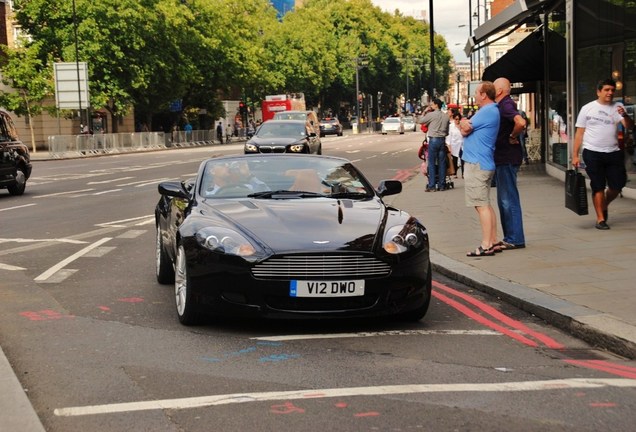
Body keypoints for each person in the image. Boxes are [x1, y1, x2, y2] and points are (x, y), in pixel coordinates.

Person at [573, 78, 634, 230]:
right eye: (607, 90)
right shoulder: (587, 108)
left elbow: (630, 127)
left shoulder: (618, 107)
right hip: (592, 152)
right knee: (598, 186)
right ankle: (600, 219)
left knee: (617, 185)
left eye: (612, 90)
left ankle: (603, 204)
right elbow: (579, 133)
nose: (610, 93)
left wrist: (625, 115)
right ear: (598, 91)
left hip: (613, 152)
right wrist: (574, 155)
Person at [459, 81, 501, 257]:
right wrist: (464, 124)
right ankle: (494, 241)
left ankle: (486, 245)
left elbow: (465, 129)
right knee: (485, 204)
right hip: (483, 162)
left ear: (484, 94)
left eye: (477, 92)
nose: (475, 95)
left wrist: (462, 121)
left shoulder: (487, 111)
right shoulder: (490, 111)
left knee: (480, 205)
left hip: (477, 164)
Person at [492, 77, 528, 250]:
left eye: (493, 88)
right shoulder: (503, 104)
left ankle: (515, 238)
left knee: (508, 200)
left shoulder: (505, 104)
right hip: (503, 158)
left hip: (507, 157)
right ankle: (510, 237)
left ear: (499, 91)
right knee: (503, 200)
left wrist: (513, 136)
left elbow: (521, 122)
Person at [417, 98, 450, 192]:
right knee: (442, 163)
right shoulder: (446, 116)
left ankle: (432, 186)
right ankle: (442, 185)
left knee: (431, 163)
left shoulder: (431, 115)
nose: (431, 105)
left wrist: (424, 112)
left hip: (433, 140)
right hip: (442, 140)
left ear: (436, 105)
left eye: (432, 104)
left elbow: (420, 121)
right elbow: (447, 131)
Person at [446, 112, 464, 178]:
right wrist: (449, 146)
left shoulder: (462, 125)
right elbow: (448, 137)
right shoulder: (451, 126)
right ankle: (455, 173)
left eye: (459, 119)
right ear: (454, 119)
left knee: (463, 159)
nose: (457, 120)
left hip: (462, 145)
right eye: (456, 119)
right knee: (455, 160)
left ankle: (463, 174)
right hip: (454, 145)